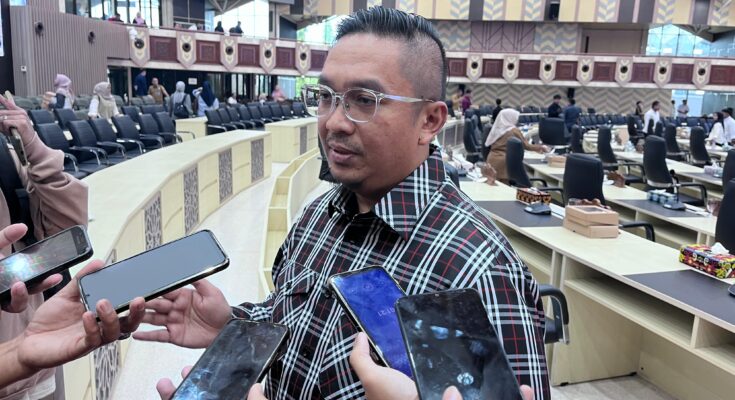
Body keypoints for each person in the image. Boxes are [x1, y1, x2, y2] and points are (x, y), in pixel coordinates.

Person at [139, 7, 547, 400]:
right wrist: (232, 323)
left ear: (429, 121)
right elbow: (290, 319)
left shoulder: (480, 269)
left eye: (364, 100)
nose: (333, 121)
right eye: (326, 96)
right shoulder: (317, 216)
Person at [485, 109, 548, 184]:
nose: (517, 120)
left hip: (491, 160)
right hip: (503, 163)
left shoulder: (497, 129)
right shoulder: (513, 130)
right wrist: (541, 147)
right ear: (510, 118)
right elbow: (526, 146)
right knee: (504, 187)